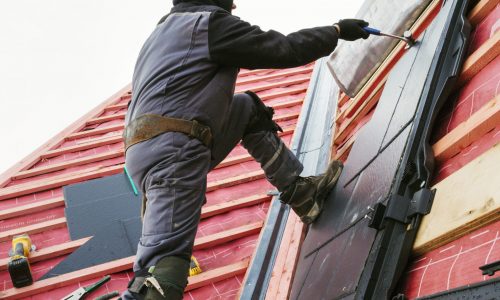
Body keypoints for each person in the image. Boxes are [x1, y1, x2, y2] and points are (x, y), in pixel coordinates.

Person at [121, 1, 369, 299]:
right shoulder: (208, 24)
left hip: (154, 145)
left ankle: (304, 195)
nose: (234, 3)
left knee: (246, 107)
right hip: (175, 148)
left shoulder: (163, 33)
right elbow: (285, 49)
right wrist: (337, 31)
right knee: (162, 268)